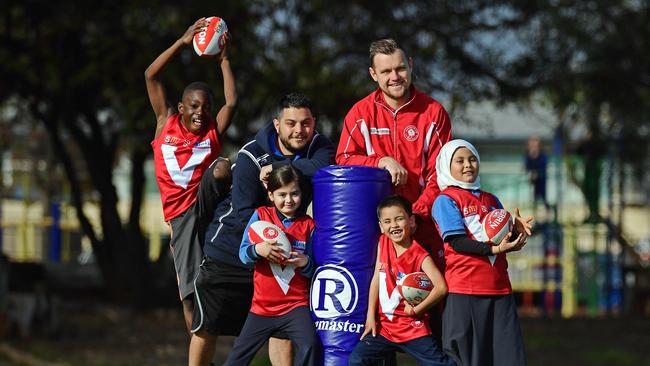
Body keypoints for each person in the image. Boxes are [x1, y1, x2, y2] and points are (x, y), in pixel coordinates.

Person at [189, 92, 335, 365]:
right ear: (277, 124)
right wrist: (260, 248)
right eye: (291, 123)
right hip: (232, 252)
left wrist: (278, 167)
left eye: (305, 123)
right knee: (208, 328)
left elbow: (321, 168)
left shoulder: (321, 147)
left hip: (281, 258)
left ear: (314, 123)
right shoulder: (250, 155)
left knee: (281, 334)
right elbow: (244, 213)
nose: (299, 130)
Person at [145, 17, 236, 333]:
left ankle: (231, 213)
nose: (201, 112)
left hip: (205, 200)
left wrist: (224, 61)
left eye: (206, 107)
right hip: (181, 216)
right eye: (194, 106)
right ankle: (198, 342)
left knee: (223, 167)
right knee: (189, 293)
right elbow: (151, 74)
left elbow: (233, 101)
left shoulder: (211, 132)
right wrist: (182, 42)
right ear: (181, 108)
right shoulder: (165, 122)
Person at [336, 38, 452, 266]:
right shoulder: (360, 112)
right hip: (373, 231)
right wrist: (381, 161)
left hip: (422, 227)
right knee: (383, 300)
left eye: (399, 68)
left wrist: (412, 217)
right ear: (373, 74)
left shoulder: (433, 112)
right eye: (386, 71)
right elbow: (343, 160)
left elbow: (441, 173)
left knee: (426, 298)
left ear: (410, 65)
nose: (394, 77)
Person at [431, 139, 533, 366]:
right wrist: (494, 248)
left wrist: (516, 231)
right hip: (464, 290)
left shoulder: (491, 199)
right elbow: (457, 242)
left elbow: (502, 239)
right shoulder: (445, 200)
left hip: (499, 289)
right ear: (447, 166)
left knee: (508, 359)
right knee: (467, 359)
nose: (468, 165)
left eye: (472, 159)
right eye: (459, 160)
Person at [223, 166, 319, 365]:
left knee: (310, 345)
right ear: (270, 195)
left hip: (296, 306)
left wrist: (306, 262)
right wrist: (258, 250)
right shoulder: (261, 216)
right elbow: (243, 254)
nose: (289, 200)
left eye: (295, 193)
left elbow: (314, 269)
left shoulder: (309, 225)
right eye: (282, 194)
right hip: (261, 308)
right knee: (236, 358)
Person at [349, 195, 454, 366]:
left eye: (399, 219)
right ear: (381, 227)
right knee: (357, 360)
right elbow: (377, 278)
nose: (394, 225)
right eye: (387, 221)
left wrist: (416, 309)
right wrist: (370, 317)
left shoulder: (420, 255)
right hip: (385, 329)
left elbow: (441, 287)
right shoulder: (383, 242)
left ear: (411, 221)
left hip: (412, 329)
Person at [524, 136, 550, 211]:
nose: (533, 147)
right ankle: (534, 216)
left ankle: (547, 216)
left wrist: (537, 173)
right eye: (531, 146)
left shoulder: (543, 156)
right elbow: (527, 167)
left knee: (543, 199)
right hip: (531, 181)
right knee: (533, 200)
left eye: (535, 146)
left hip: (541, 181)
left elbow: (543, 166)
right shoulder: (528, 157)